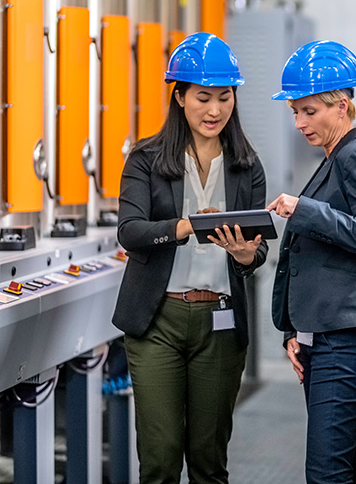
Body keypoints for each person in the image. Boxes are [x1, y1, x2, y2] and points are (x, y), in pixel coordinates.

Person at [112, 32, 268, 484]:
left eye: (225, 98)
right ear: (179, 97)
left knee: (208, 459)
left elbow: (253, 254)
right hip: (157, 320)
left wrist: (245, 255)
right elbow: (130, 231)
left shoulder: (246, 165)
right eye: (203, 98)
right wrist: (183, 227)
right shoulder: (146, 158)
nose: (215, 110)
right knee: (160, 458)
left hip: (219, 321)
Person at [268, 40, 356, 484]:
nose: (299, 123)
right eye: (295, 112)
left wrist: (304, 209)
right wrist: (294, 332)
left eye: (309, 111)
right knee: (345, 465)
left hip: (345, 338)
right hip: (323, 338)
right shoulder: (333, 159)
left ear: (341, 106)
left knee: (326, 472)